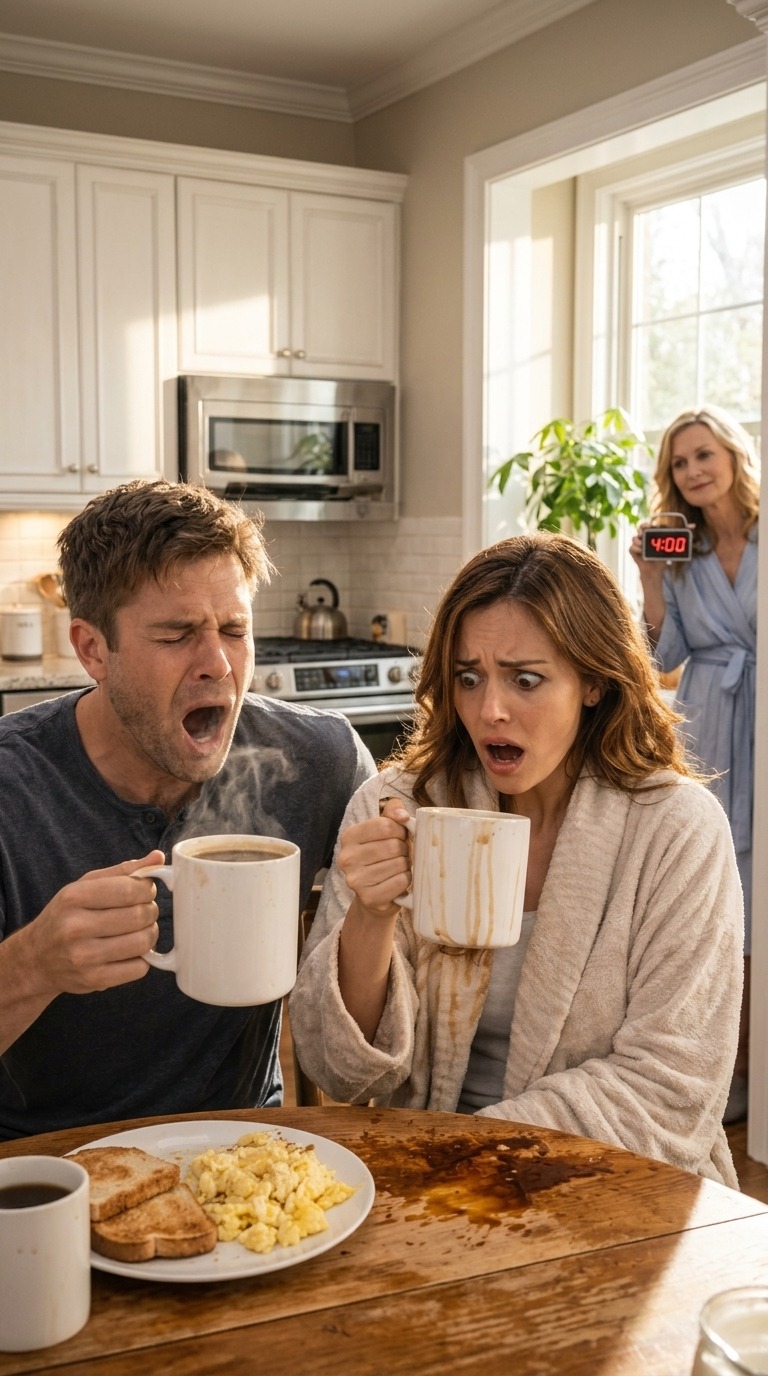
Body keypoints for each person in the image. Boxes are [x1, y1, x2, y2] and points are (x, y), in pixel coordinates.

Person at [289, 532, 743, 1188]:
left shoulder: (674, 831)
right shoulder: (395, 806)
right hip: (429, 1183)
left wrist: (466, 1152)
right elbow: (341, 1070)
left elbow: (669, 1090)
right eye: (469, 678)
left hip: (616, 1184)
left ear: (592, 680)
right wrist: (370, 914)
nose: (490, 710)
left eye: (525, 679)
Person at [0, 480, 375, 1140]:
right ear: (91, 649)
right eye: (176, 635)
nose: (219, 666)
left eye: (234, 630)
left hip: (246, 1159)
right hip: (48, 1171)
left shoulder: (322, 762)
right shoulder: (12, 787)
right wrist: (33, 964)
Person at [629, 405, 758, 1124]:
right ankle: (725, 1067)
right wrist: (651, 578)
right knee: (721, 896)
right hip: (710, 721)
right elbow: (661, 658)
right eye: (679, 463)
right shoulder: (683, 551)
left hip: (762, 718)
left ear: (734, 456)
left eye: (703, 454)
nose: (692, 471)